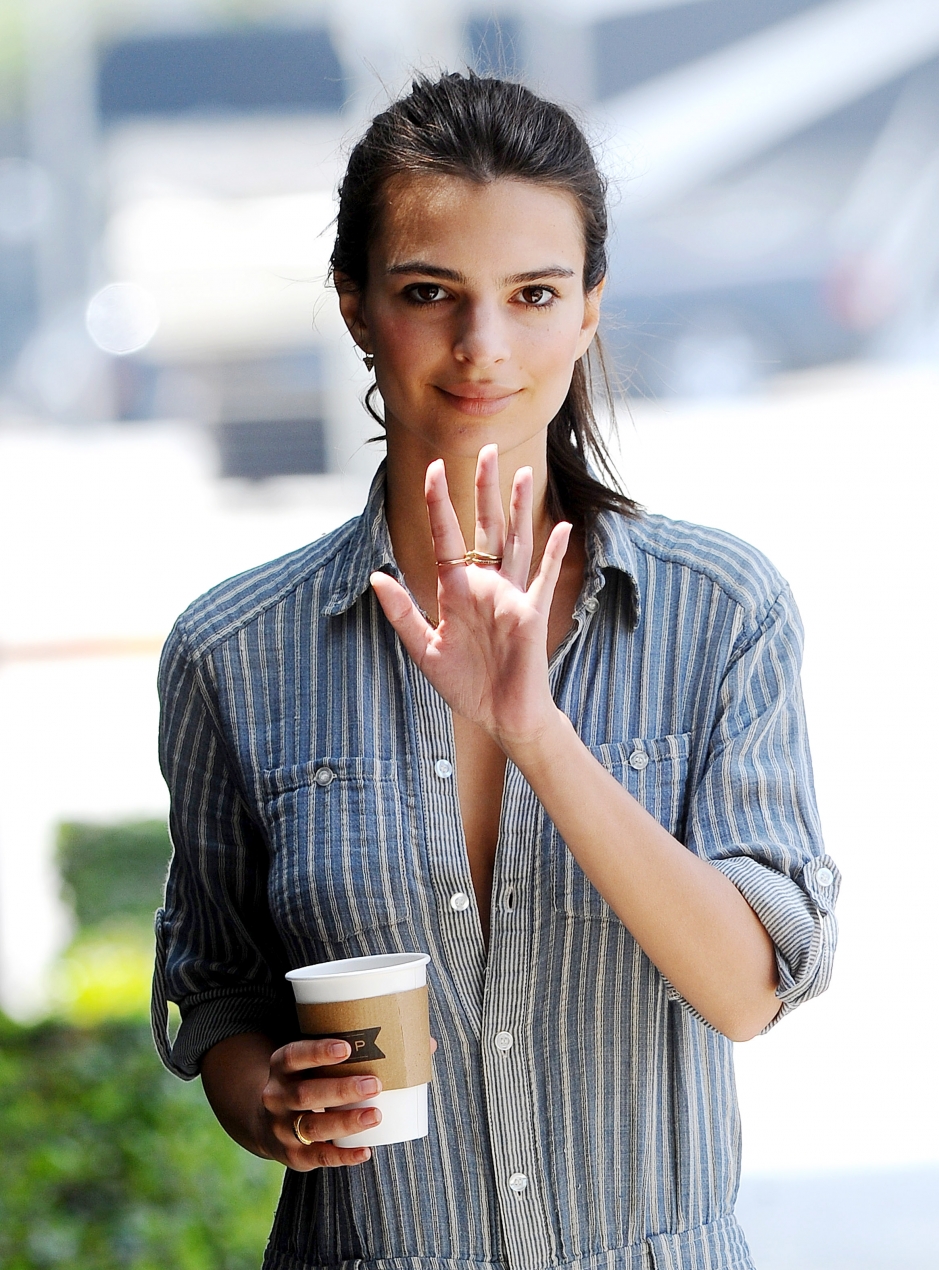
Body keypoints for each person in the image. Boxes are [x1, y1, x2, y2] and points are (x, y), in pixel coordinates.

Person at [152, 72, 840, 1270]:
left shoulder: (716, 612)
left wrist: (536, 731)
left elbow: (745, 992)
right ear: (357, 305)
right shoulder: (233, 651)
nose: (483, 346)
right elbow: (221, 994)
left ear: (587, 312)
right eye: (430, 293)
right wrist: (272, 1101)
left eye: (533, 294)